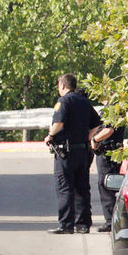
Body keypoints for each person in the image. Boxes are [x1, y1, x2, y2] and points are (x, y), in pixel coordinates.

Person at [44, 74, 103, 234]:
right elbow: (97, 124)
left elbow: (58, 123)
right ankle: (83, 224)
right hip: (82, 151)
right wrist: (87, 137)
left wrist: (50, 136)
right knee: (82, 188)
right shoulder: (84, 101)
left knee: (65, 188)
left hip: (65, 152)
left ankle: (66, 225)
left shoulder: (64, 101)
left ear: (63, 85)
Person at [91, 123, 125, 232]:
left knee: (107, 184)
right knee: (108, 184)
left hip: (109, 152)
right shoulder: (113, 107)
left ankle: (111, 221)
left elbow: (108, 130)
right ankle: (112, 220)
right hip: (108, 151)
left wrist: (94, 139)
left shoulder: (113, 107)